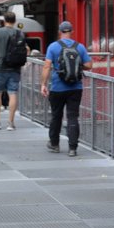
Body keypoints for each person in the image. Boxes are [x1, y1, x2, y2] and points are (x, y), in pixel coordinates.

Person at [40, 21, 92, 157]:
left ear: (60, 32)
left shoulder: (53, 47)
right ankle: (72, 148)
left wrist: (43, 84)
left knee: (56, 116)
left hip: (57, 87)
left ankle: (54, 144)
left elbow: (47, 66)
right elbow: (89, 65)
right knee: (73, 117)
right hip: (75, 87)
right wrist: (77, 66)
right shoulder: (79, 47)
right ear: (72, 31)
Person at [0, 11, 23, 130]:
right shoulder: (20, 33)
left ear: (4, 20)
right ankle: (11, 123)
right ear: (15, 21)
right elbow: (25, 49)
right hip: (15, 67)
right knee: (12, 93)